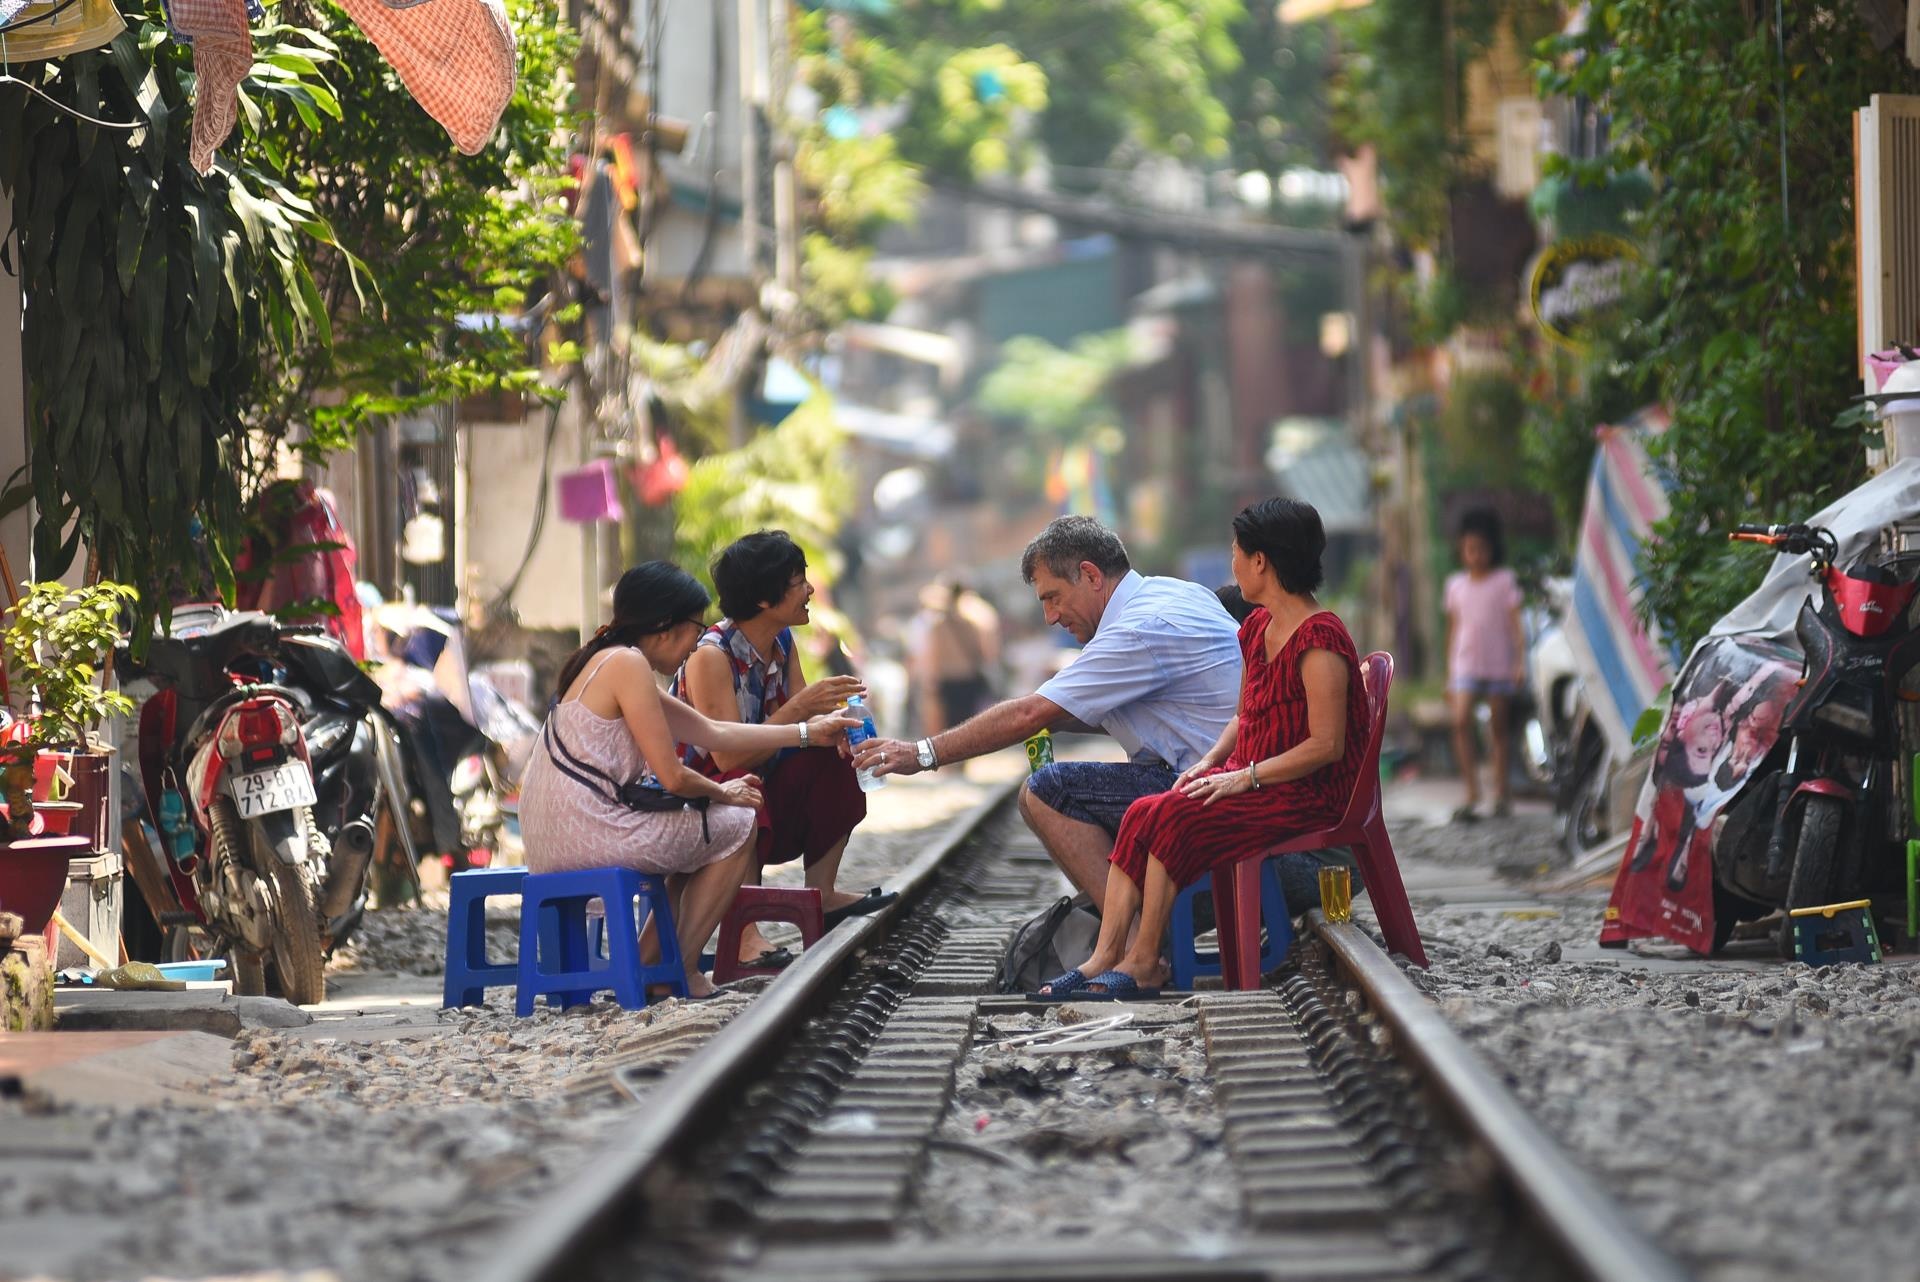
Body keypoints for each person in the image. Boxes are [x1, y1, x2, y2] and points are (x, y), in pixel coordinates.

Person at [1037, 499, 1369, 998]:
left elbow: (1326, 745)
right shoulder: (1257, 629)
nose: (1231, 565)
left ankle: (1146, 961)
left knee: (1172, 820)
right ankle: (1109, 955)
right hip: (1258, 781)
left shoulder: (1320, 638)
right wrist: (1212, 763)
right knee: (1146, 812)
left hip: (1305, 796)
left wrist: (1247, 776)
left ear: (1262, 562)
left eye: (1238, 553)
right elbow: (1244, 715)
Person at [856, 516, 1242, 904]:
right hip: (1230, 778)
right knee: (1038, 793)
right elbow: (1144, 715)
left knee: (1048, 790)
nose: (1051, 617)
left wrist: (921, 753)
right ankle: (1127, 927)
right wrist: (1050, 717)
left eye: (1053, 597)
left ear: (1090, 575)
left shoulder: (1137, 629)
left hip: (1221, 800)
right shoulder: (1172, 593)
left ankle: (1134, 947)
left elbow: (1030, 713)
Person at [517, 562, 858, 998]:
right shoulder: (627, 664)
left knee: (697, 833)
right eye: (693, 632)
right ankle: (682, 966)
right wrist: (723, 790)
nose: (694, 647)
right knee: (737, 824)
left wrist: (809, 733)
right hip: (586, 832)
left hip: (558, 832)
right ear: (664, 629)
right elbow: (674, 776)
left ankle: (653, 961)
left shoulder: (610, 660)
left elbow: (712, 732)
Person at [671, 531, 892, 970]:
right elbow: (728, 756)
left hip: (762, 786)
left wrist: (841, 730)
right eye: (799, 581)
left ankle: (822, 894)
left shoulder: (782, 642)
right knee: (742, 782)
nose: (810, 590)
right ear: (764, 599)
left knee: (832, 757)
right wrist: (802, 710)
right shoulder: (711, 656)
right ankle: (745, 933)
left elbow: (803, 731)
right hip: (698, 800)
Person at [1444, 508, 1526, 823]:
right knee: (1460, 721)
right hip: (1465, 664)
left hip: (1499, 664)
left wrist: (1519, 662)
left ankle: (1501, 791)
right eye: (1470, 549)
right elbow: (1453, 630)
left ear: (1492, 549)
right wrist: (1449, 673)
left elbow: (1516, 626)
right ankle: (1471, 790)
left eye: (1481, 549)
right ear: (1462, 550)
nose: (1476, 556)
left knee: (1498, 728)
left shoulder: (1505, 581)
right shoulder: (1455, 586)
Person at [908, 579, 996, 734]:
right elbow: (987, 653)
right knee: (969, 725)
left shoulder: (938, 625)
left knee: (950, 728)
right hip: (969, 678)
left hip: (947, 682)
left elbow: (933, 658)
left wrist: (931, 684)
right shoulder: (975, 621)